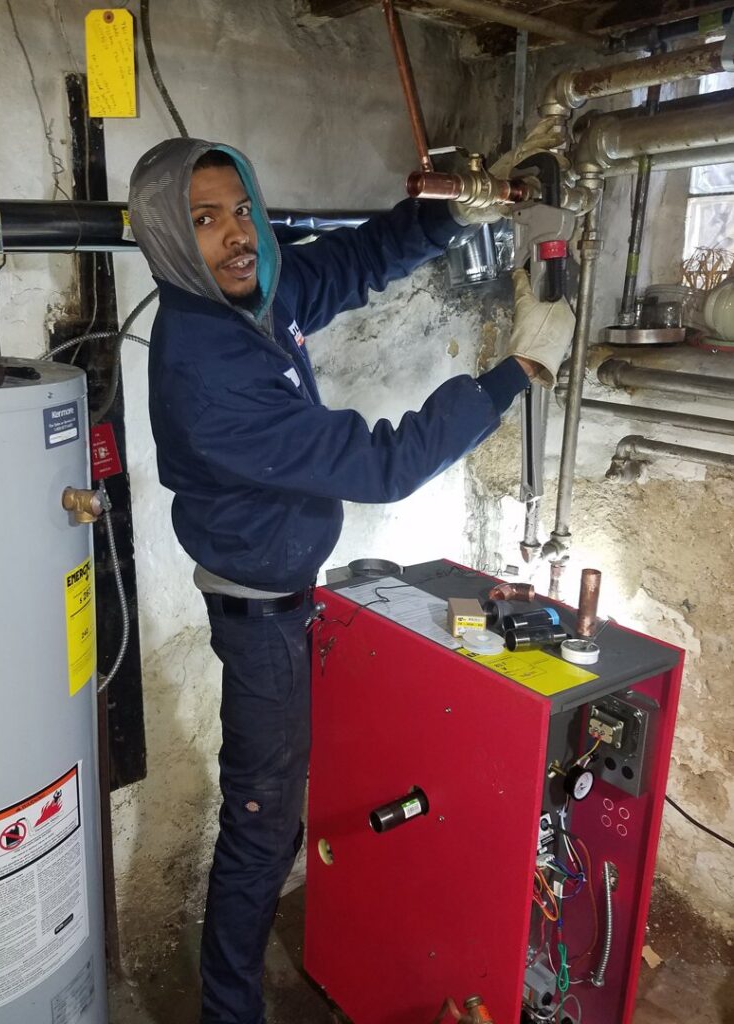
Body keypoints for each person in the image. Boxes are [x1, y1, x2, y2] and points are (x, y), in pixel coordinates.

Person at [128, 137, 573, 1024]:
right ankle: (228, 1013)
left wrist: (451, 212)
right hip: (259, 618)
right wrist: (512, 372)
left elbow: (352, 263)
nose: (237, 234)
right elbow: (381, 466)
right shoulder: (206, 371)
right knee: (262, 823)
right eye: (204, 220)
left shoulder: (251, 297)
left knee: (281, 807)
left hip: (286, 593)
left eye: (240, 208)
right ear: (169, 239)